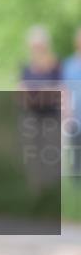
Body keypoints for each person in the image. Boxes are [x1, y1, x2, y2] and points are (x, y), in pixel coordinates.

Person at [18, 25, 62, 194]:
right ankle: (36, 188)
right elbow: (21, 91)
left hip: (51, 114)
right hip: (32, 114)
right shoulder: (26, 67)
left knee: (52, 150)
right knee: (32, 151)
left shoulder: (55, 65)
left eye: (39, 44)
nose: (36, 48)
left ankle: (53, 188)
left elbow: (60, 89)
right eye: (34, 45)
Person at [61, 26, 81, 181]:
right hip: (75, 114)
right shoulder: (68, 64)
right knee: (76, 149)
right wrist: (65, 112)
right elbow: (63, 90)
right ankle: (76, 184)